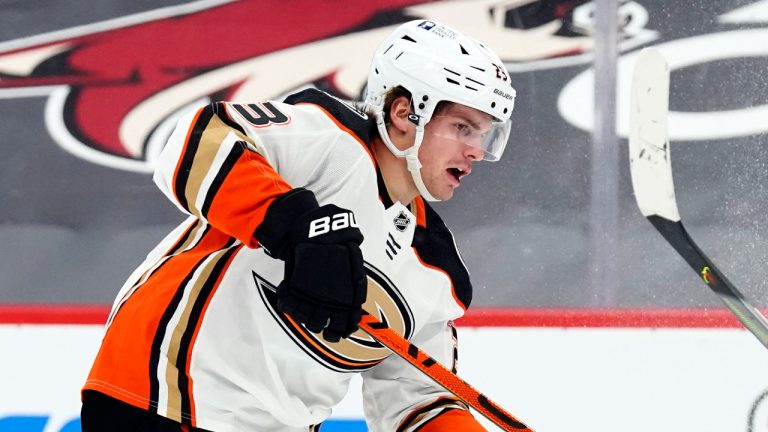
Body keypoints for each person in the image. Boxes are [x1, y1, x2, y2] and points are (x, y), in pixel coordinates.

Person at [81, 19, 516, 432]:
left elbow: (420, 400)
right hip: (164, 402)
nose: (477, 151)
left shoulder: (436, 270)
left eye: (485, 135)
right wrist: (295, 226)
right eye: (463, 127)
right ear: (405, 113)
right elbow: (194, 144)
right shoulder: (327, 141)